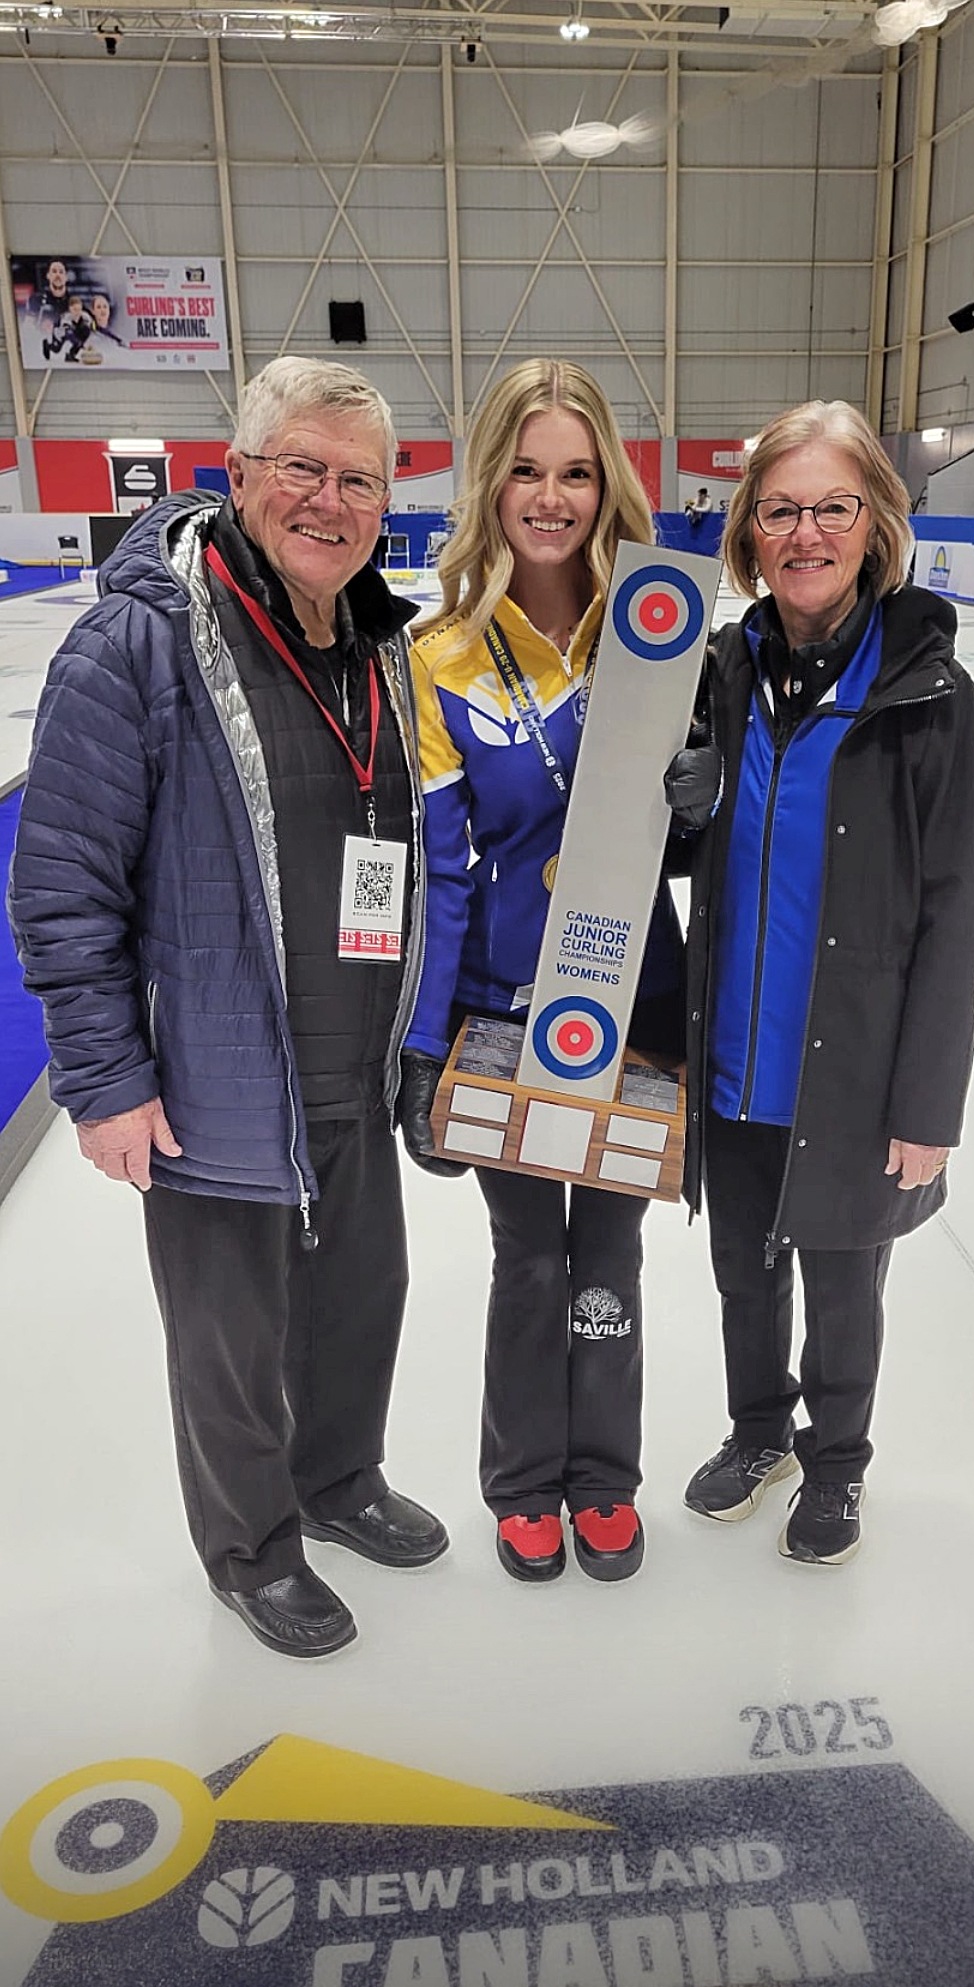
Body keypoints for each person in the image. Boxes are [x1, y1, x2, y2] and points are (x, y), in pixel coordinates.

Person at [9, 356, 448, 1658]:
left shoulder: (375, 643)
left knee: (361, 1295)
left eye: (357, 478)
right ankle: (251, 1545)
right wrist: (104, 1079)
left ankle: (338, 1478)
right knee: (230, 1338)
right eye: (302, 468)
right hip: (213, 1078)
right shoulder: (136, 640)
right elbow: (64, 886)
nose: (329, 498)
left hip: (352, 1062)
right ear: (241, 473)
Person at [672, 399, 974, 1565]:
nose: (802, 534)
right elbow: (672, 850)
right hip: (732, 1054)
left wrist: (925, 1109)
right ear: (749, 530)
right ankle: (757, 1431)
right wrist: (678, 807)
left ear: (874, 526)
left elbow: (954, 915)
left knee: (843, 1285)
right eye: (779, 510)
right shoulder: (719, 669)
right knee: (740, 1276)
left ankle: (837, 1460)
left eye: (829, 509)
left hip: (852, 1069)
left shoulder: (927, 698)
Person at [396, 359, 689, 1585]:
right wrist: (421, 1045)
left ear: (605, 482)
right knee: (528, 1256)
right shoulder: (440, 653)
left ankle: (603, 1476)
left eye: (575, 471)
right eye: (526, 469)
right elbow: (443, 872)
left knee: (608, 1253)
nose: (552, 495)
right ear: (489, 483)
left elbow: (696, 840)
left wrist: (702, 806)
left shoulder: (665, 636)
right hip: (504, 1019)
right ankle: (521, 1481)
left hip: (637, 1007)